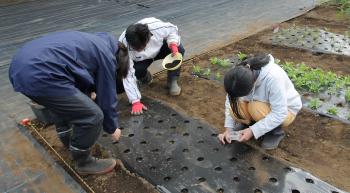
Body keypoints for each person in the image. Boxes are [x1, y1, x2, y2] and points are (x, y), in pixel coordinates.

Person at [9, 31, 129, 175]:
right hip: (40, 74)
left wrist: (85, 95)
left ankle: (67, 139)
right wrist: (112, 127)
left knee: (67, 102)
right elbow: (107, 96)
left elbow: (73, 73)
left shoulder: (92, 41)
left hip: (20, 67)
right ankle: (84, 163)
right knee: (93, 116)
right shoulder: (107, 56)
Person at [218, 54, 302, 150]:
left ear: (253, 84)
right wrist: (228, 130)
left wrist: (253, 131)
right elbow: (230, 101)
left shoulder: (273, 78)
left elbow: (280, 113)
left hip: (286, 110)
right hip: (260, 105)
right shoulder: (238, 75)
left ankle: (275, 133)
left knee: (255, 108)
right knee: (235, 106)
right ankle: (247, 125)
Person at [118, 17, 185, 115]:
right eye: (135, 48)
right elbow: (127, 73)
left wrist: (173, 44)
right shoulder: (123, 44)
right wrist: (135, 101)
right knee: (134, 71)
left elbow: (172, 30)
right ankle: (144, 77)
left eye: (140, 47)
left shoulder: (156, 27)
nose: (138, 49)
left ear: (148, 37)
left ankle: (172, 80)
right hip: (141, 60)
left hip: (160, 49)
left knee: (180, 49)